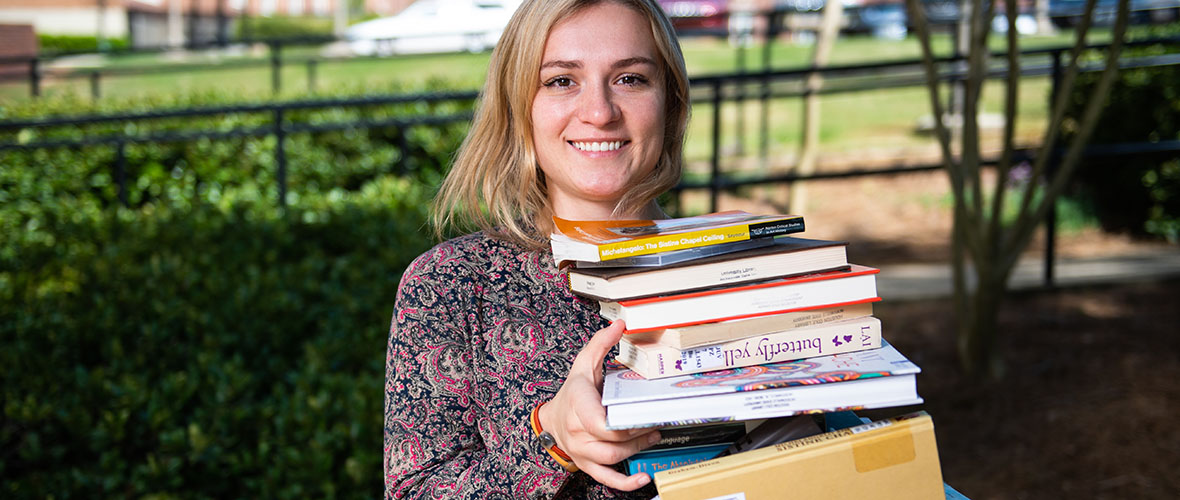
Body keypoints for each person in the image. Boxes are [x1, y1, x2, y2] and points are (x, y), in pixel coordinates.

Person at [384, 0, 690, 498]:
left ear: (670, 102)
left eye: (630, 78)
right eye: (561, 81)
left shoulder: (745, 272)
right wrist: (554, 436)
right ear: (518, 106)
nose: (599, 113)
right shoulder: (452, 284)